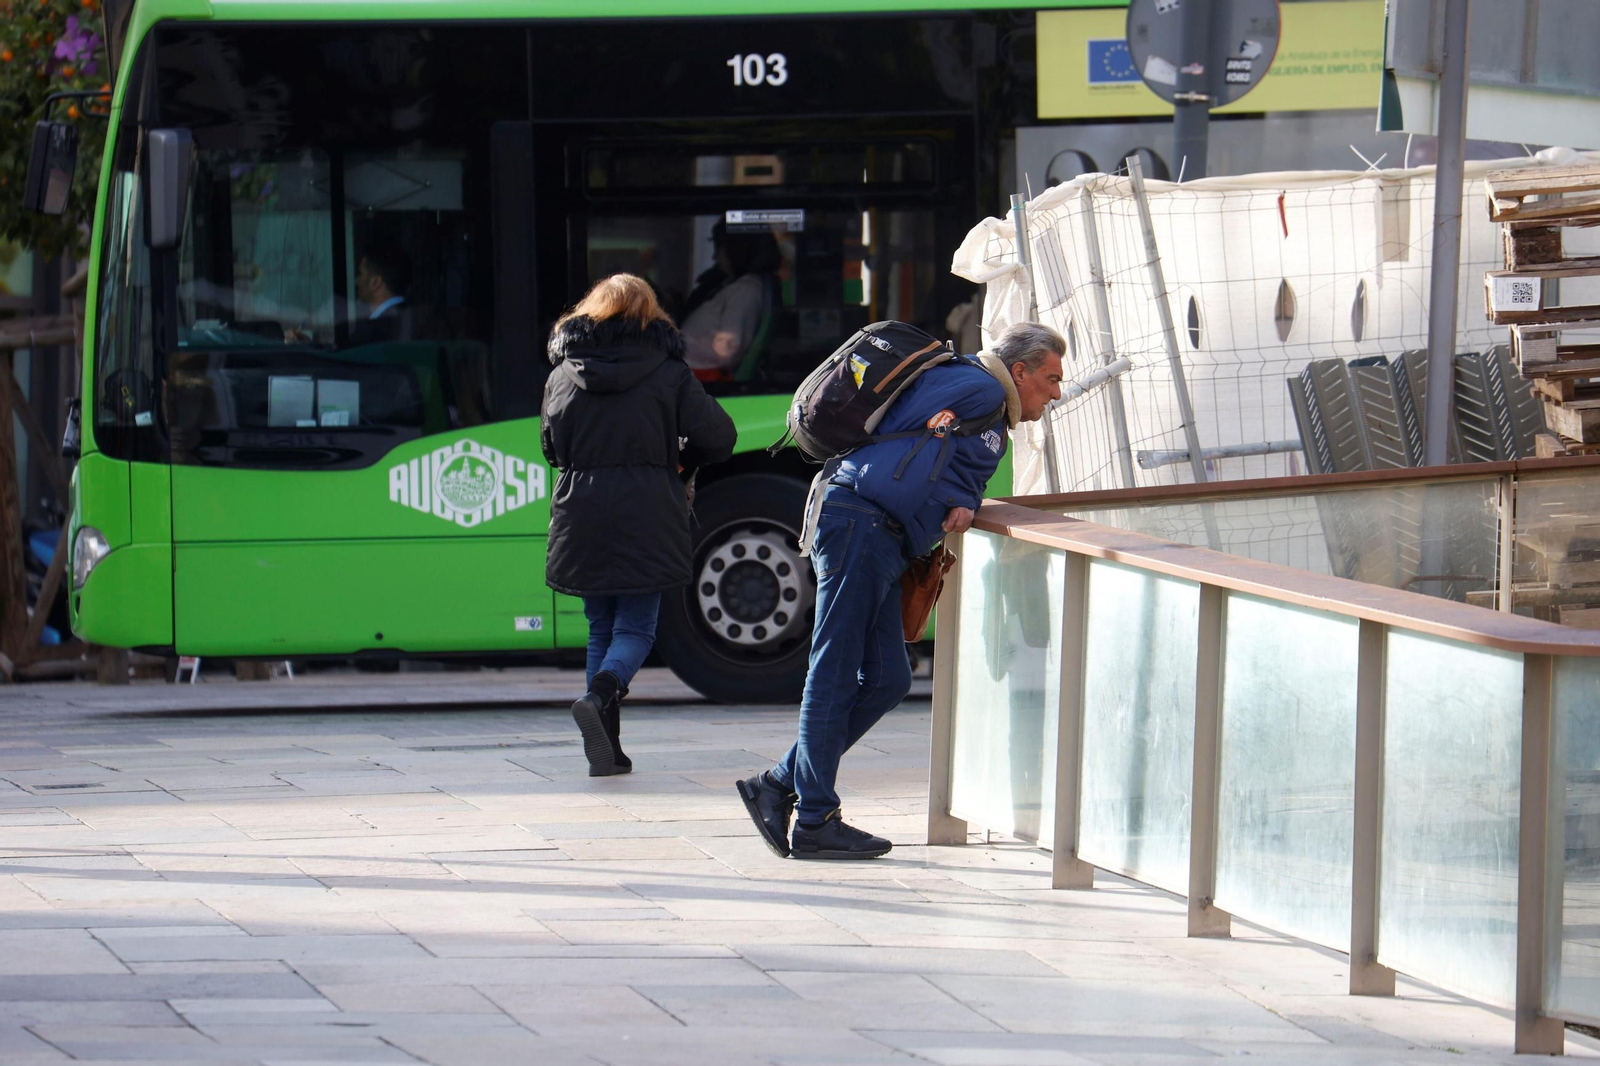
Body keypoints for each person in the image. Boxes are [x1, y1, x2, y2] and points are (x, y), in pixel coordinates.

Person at [737, 321, 1066, 859]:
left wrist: (962, 499)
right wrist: (955, 498)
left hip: (878, 534)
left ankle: (777, 783)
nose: (1055, 393)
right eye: (1050, 378)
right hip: (860, 523)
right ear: (1021, 371)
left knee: (889, 677)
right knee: (834, 669)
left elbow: (932, 451)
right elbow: (915, 444)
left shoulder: (983, 405)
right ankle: (816, 817)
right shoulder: (979, 388)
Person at [542, 274, 737, 776]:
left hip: (579, 510)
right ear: (651, 315)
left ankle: (607, 751)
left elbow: (550, 448)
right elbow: (719, 436)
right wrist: (678, 459)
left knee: (600, 627)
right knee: (636, 628)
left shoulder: (562, 373)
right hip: (648, 505)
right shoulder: (669, 371)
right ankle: (603, 692)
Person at [680, 223, 780, 376]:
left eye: (719, 249)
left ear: (736, 250)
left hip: (700, 376)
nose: (715, 257)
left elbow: (727, 349)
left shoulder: (745, 290)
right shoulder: (737, 286)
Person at [349, 242, 416, 345]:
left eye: (361, 274)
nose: (356, 281)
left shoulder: (368, 336)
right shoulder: (416, 320)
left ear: (375, 282)